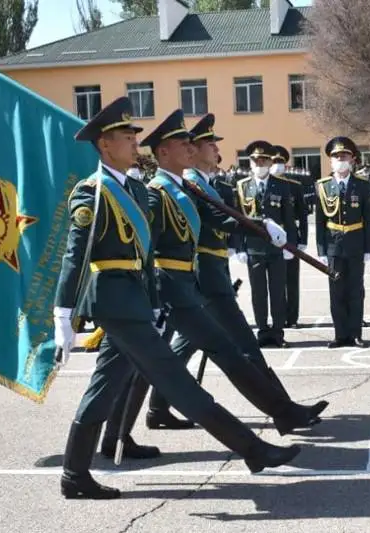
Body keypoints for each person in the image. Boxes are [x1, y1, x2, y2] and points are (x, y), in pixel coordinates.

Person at [52, 97, 301, 499]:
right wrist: (63, 314)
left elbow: (147, 253)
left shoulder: (132, 185)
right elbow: (74, 254)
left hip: (136, 301)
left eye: (136, 135)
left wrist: (153, 300)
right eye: (126, 136)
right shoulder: (92, 192)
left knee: (103, 388)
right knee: (180, 382)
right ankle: (252, 449)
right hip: (113, 301)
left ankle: (74, 475)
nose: (136, 142)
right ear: (104, 145)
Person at [137, 115, 327, 431]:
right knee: (244, 346)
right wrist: (259, 229)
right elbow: (211, 224)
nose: (215, 148)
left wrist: (262, 226)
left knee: (188, 344)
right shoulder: (188, 185)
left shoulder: (200, 183)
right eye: (207, 143)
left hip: (211, 274)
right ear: (192, 150)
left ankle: (157, 409)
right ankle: (285, 411)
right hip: (203, 277)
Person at [235, 141, 297, 347]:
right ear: (250, 163)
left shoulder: (282, 185)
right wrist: (239, 247)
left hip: (276, 247)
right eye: (255, 161)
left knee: (278, 291)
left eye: (263, 161)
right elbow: (237, 219)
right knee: (258, 293)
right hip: (253, 247)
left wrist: (290, 246)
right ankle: (262, 331)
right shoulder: (242, 186)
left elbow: (289, 219)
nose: (259, 164)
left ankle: (278, 332)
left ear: (270, 163)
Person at [315, 136, 370, 348]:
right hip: (333, 246)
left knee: (355, 291)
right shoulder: (322, 186)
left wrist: (369, 247)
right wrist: (321, 249)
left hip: (356, 244)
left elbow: (368, 220)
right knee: (336, 291)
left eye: (344, 156)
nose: (341, 159)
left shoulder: (362, 186)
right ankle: (340, 334)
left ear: (352, 159)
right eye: (336, 156)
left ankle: (356, 333)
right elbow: (320, 221)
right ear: (331, 161)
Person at [271, 145, 308, 328]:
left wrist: (303, 240)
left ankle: (292, 318)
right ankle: (277, 317)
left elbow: (302, 215)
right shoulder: (265, 184)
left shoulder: (294, 186)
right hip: (270, 238)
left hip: (290, 237)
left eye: (280, 162)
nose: (277, 165)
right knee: (275, 282)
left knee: (291, 280)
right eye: (274, 161)